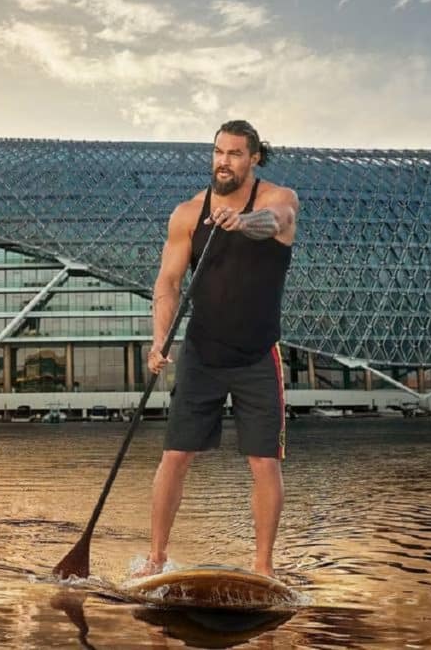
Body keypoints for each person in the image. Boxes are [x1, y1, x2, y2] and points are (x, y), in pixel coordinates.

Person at [137, 119, 299, 579]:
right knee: (174, 456)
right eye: (218, 152)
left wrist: (241, 221)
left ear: (254, 158)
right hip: (202, 354)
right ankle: (156, 560)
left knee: (264, 461)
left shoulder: (277, 199)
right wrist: (160, 339)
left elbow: (275, 223)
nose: (223, 162)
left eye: (234, 154)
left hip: (256, 356)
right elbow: (168, 283)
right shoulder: (188, 213)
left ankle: (263, 568)